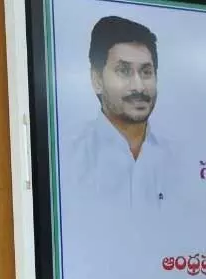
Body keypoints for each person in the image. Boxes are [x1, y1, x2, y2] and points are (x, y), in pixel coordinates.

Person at [62, 16, 171, 212]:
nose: (139, 86)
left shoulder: (177, 160)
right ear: (97, 80)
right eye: (124, 71)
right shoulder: (67, 159)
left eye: (146, 72)